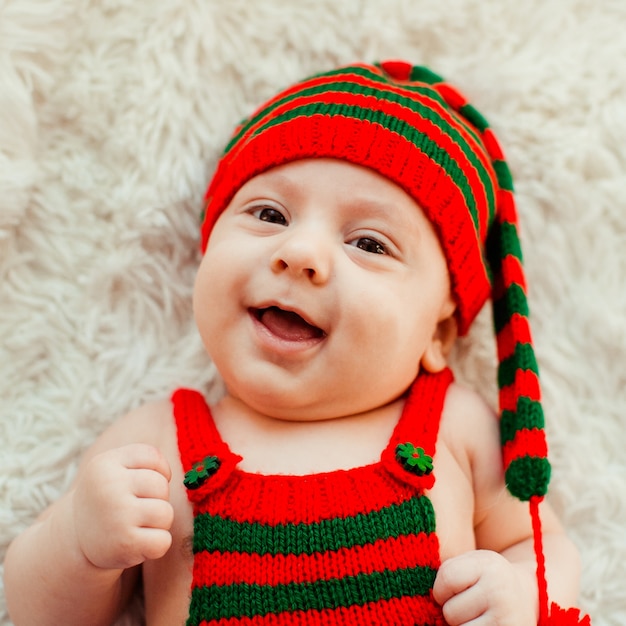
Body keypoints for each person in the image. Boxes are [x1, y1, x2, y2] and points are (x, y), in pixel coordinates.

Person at [4, 60, 591, 626]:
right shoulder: (156, 445)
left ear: (437, 333)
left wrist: (519, 593)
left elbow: (542, 545)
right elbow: (40, 615)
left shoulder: (455, 430)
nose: (301, 253)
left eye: (369, 244)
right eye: (268, 213)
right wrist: (80, 542)